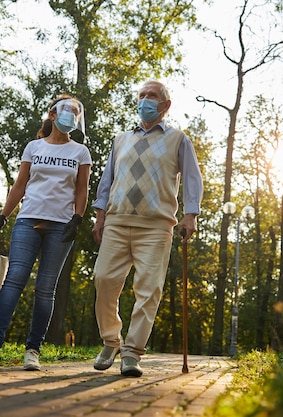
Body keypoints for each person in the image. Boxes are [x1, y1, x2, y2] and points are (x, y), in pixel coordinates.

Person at [0, 95, 92, 371]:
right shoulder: (34, 147)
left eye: (75, 112)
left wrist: (77, 218)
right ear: (52, 114)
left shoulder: (80, 152)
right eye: (66, 110)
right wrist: (3, 217)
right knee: (13, 279)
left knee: (45, 289)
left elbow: (82, 189)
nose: (70, 115)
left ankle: (33, 351)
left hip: (61, 225)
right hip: (28, 221)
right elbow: (20, 184)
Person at [91, 80, 203, 377]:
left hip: (156, 225)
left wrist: (190, 215)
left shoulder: (178, 139)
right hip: (116, 221)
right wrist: (99, 215)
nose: (145, 100)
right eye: (141, 95)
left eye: (151, 96)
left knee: (149, 289)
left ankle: (132, 352)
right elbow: (107, 181)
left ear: (165, 105)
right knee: (103, 280)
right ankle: (111, 340)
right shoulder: (121, 140)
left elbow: (193, 179)